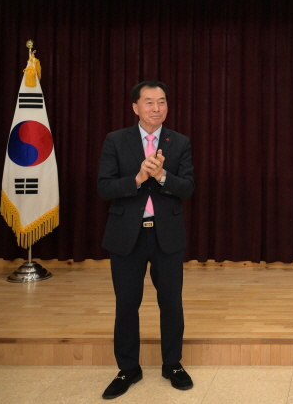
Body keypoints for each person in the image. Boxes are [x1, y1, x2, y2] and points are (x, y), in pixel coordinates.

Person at [98, 81, 195, 399]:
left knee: (171, 303)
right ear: (135, 107)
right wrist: (139, 178)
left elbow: (188, 188)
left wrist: (162, 176)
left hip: (167, 234)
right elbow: (104, 188)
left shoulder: (179, 142)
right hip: (127, 235)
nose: (157, 108)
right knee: (127, 304)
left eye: (162, 101)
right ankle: (128, 368)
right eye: (149, 102)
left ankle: (172, 364)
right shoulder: (116, 140)